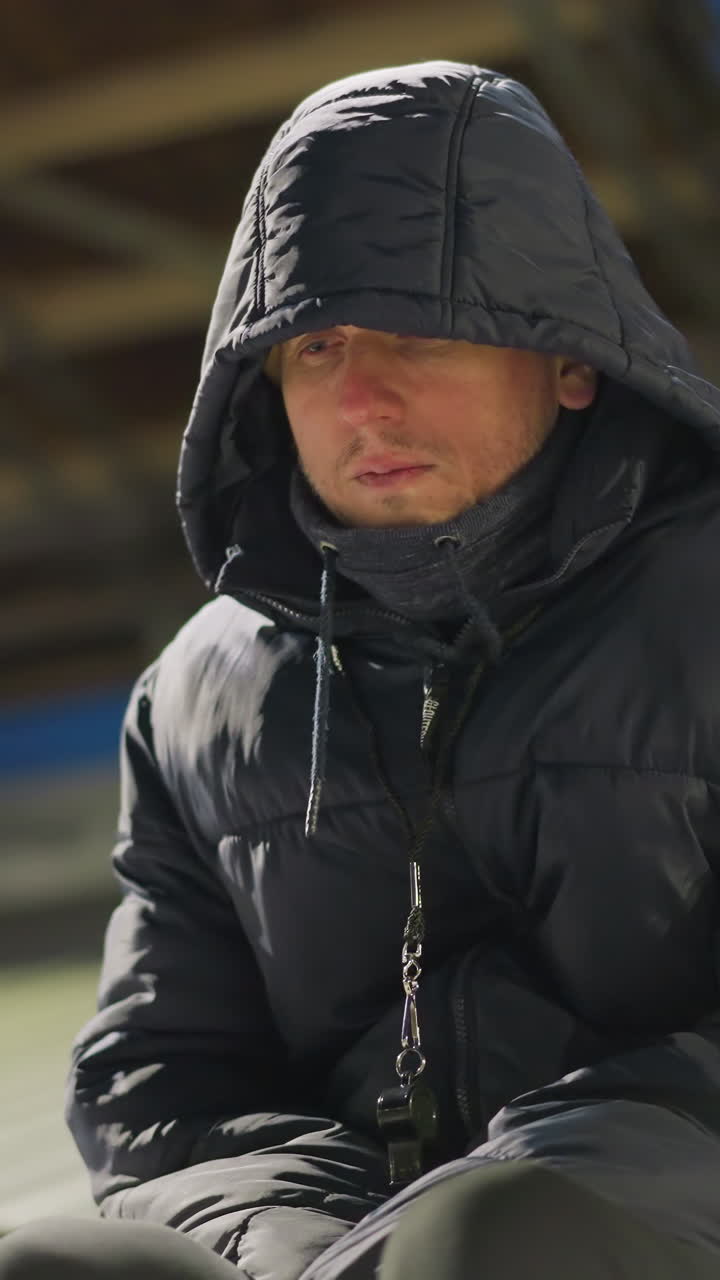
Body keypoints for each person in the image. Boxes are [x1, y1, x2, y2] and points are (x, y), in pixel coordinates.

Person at [3, 58, 720, 1280]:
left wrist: (506, 1199)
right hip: (343, 1240)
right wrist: (279, 1241)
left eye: (420, 329)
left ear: (571, 356)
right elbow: (162, 1077)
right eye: (315, 344)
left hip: (650, 1195)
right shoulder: (197, 701)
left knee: (494, 1237)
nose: (363, 399)